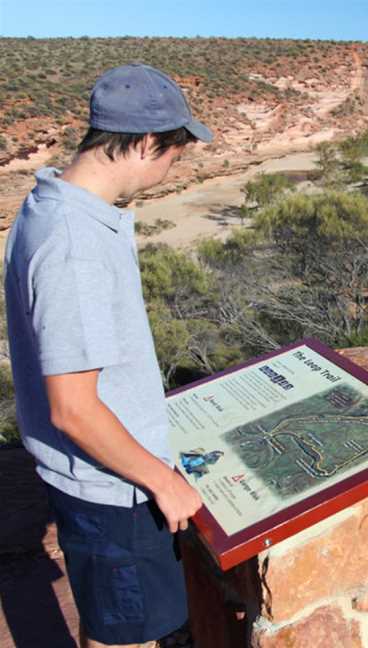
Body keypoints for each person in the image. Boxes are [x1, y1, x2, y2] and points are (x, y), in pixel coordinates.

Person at [4, 63, 213, 648]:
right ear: (146, 143)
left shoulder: (54, 202)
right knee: (125, 635)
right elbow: (73, 407)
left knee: (122, 622)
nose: (175, 166)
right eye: (175, 151)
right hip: (113, 488)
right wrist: (162, 482)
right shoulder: (75, 245)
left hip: (106, 478)